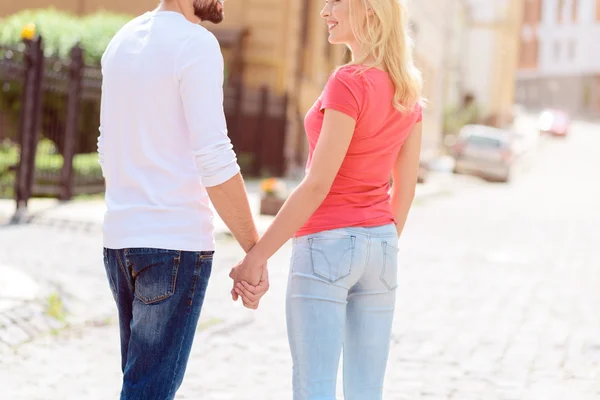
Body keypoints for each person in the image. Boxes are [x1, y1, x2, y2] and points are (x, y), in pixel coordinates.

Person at [229, 0, 423, 398]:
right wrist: (376, 244)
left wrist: (257, 254)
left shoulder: (349, 81)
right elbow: (405, 191)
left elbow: (318, 184)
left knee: (314, 387)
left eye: (335, 2)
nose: (324, 11)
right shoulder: (408, 92)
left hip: (327, 247)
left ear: (369, 9)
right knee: (366, 390)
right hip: (382, 248)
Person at [97, 0, 268, 398]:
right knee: (148, 391)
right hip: (173, 245)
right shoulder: (196, 44)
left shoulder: (120, 42)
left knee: (139, 383)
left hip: (120, 241)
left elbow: (107, 148)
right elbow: (214, 156)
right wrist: (253, 250)